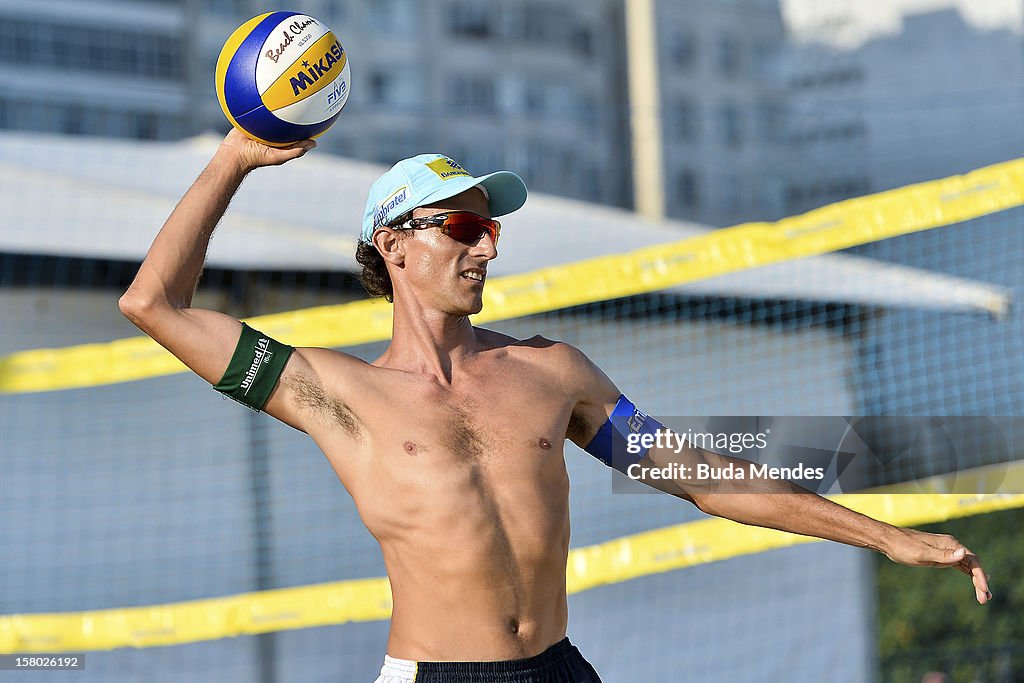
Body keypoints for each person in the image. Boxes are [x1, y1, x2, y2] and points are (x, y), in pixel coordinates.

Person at [119, 130, 992, 683]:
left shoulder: (552, 371)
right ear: (393, 246)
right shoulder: (337, 390)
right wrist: (237, 154)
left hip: (560, 668)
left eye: (490, 228)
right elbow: (153, 303)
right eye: (461, 228)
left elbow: (703, 478)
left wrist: (886, 535)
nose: (487, 245)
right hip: (438, 675)